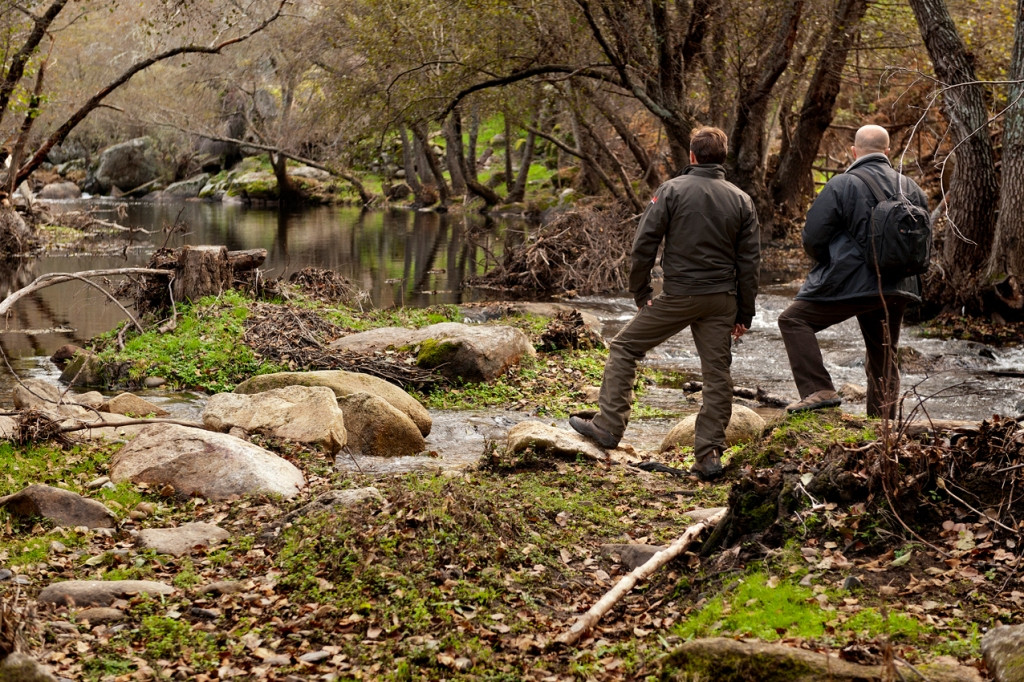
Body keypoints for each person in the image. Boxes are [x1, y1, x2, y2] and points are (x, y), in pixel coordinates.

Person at [569, 126, 760, 481]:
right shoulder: (741, 199)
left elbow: (644, 244)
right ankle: (709, 455)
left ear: (691, 156)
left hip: (680, 295)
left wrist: (641, 293)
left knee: (625, 347)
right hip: (722, 300)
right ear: (722, 158)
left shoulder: (671, 190)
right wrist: (744, 313)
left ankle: (609, 427)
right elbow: (750, 264)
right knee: (716, 374)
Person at [778, 124, 929, 418]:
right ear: (888, 152)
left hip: (853, 281)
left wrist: (830, 262)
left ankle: (818, 389)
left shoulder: (841, 184)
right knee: (884, 352)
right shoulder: (912, 187)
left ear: (853, 151)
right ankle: (882, 427)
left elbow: (813, 237)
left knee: (793, 321)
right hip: (900, 284)